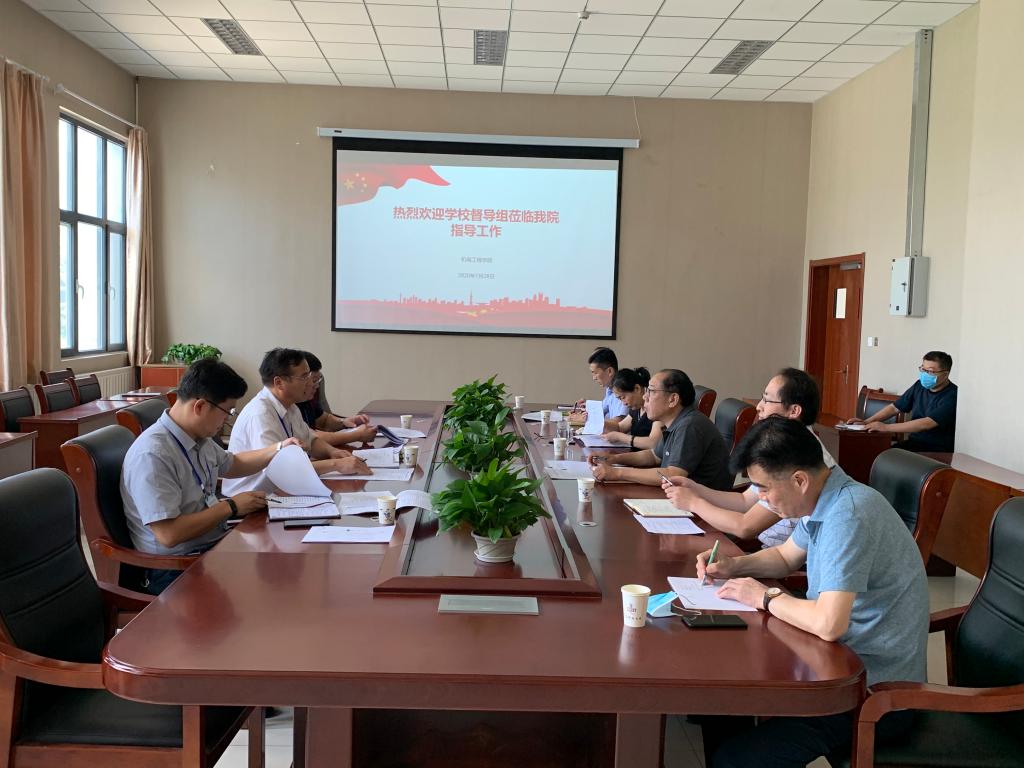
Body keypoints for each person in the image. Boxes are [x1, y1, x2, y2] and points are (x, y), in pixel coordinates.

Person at [700, 417, 926, 767]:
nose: (761, 498)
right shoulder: (822, 498)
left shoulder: (849, 515)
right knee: (720, 705)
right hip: (831, 662)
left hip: (870, 692)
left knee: (735, 758)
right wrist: (733, 566)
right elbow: (784, 557)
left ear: (799, 480)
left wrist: (764, 597)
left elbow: (829, 623)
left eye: (763, 488)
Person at [120, 358, 303, 594]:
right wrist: (231, 506)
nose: (227, 419)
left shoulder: (197, 436)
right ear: (200, 407)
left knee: (283, 565)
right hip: (173, 568)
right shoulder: (152, 455)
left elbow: (234, 464)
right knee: (270, 588)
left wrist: (278, 448)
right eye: (227, 411)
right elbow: (169, 534)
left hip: (210, 546)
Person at [662, 368, 835, 548]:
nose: (759, 406)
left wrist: (693, 503)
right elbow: (745, 501)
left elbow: (745, 527)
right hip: (769, 551)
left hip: (778, 555)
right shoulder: (782, 444)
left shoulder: (802, 457)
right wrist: (694, 488)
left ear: (794, 410)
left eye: (767, 400)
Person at [222, 348, 370, 496]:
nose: (311, 383)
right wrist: (336, 465)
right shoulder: (260, 414)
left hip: (282, 492)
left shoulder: (291, 406)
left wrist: (333, 452)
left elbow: (311, 440)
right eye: (304, 377)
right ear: (279, 382)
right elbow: (280, 470)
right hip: (251, 499)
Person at [589, 369, 731, 489]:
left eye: (651, 391)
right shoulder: (675, 422)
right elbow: (653, 456)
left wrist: (617, 473)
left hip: (700, 507)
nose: (645, 396)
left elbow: (673, 474)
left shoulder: (690, 425)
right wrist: (613, 459)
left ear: (673, 399)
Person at [847, 350, 957, 453]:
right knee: (873, 453)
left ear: (945, 374)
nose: (925, 374)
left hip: (936, 449)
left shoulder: (953, 395)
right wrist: (867, 422)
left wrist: (885, 427)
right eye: (923, 369)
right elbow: (895, 407)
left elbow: (926, 423)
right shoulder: (919, 386)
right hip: (914, 443)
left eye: (930, 371)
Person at [297, 351, 377, 447]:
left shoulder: (307, 399)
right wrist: (356, 435)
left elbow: (324, 420)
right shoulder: (291, 404)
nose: (317, 386)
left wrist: (344, 422)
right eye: (314, 380)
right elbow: (310, 437)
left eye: (318, 380)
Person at [598, 366, 664, 450]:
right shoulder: (636, 408)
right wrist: (598, 422)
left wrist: (620, 437)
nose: (623, 403)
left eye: (623, 397)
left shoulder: (656, 409)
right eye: (620, 399)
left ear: (637, 389)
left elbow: (653, 443)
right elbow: (620, 427)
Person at [577, 346, 629, 420]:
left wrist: (592, 420)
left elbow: (618, 423)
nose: (594, 378)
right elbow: (602, 409)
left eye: (595, 373)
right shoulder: (610, 389)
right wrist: (588, 405)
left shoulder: (622, 391)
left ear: (609, 371)